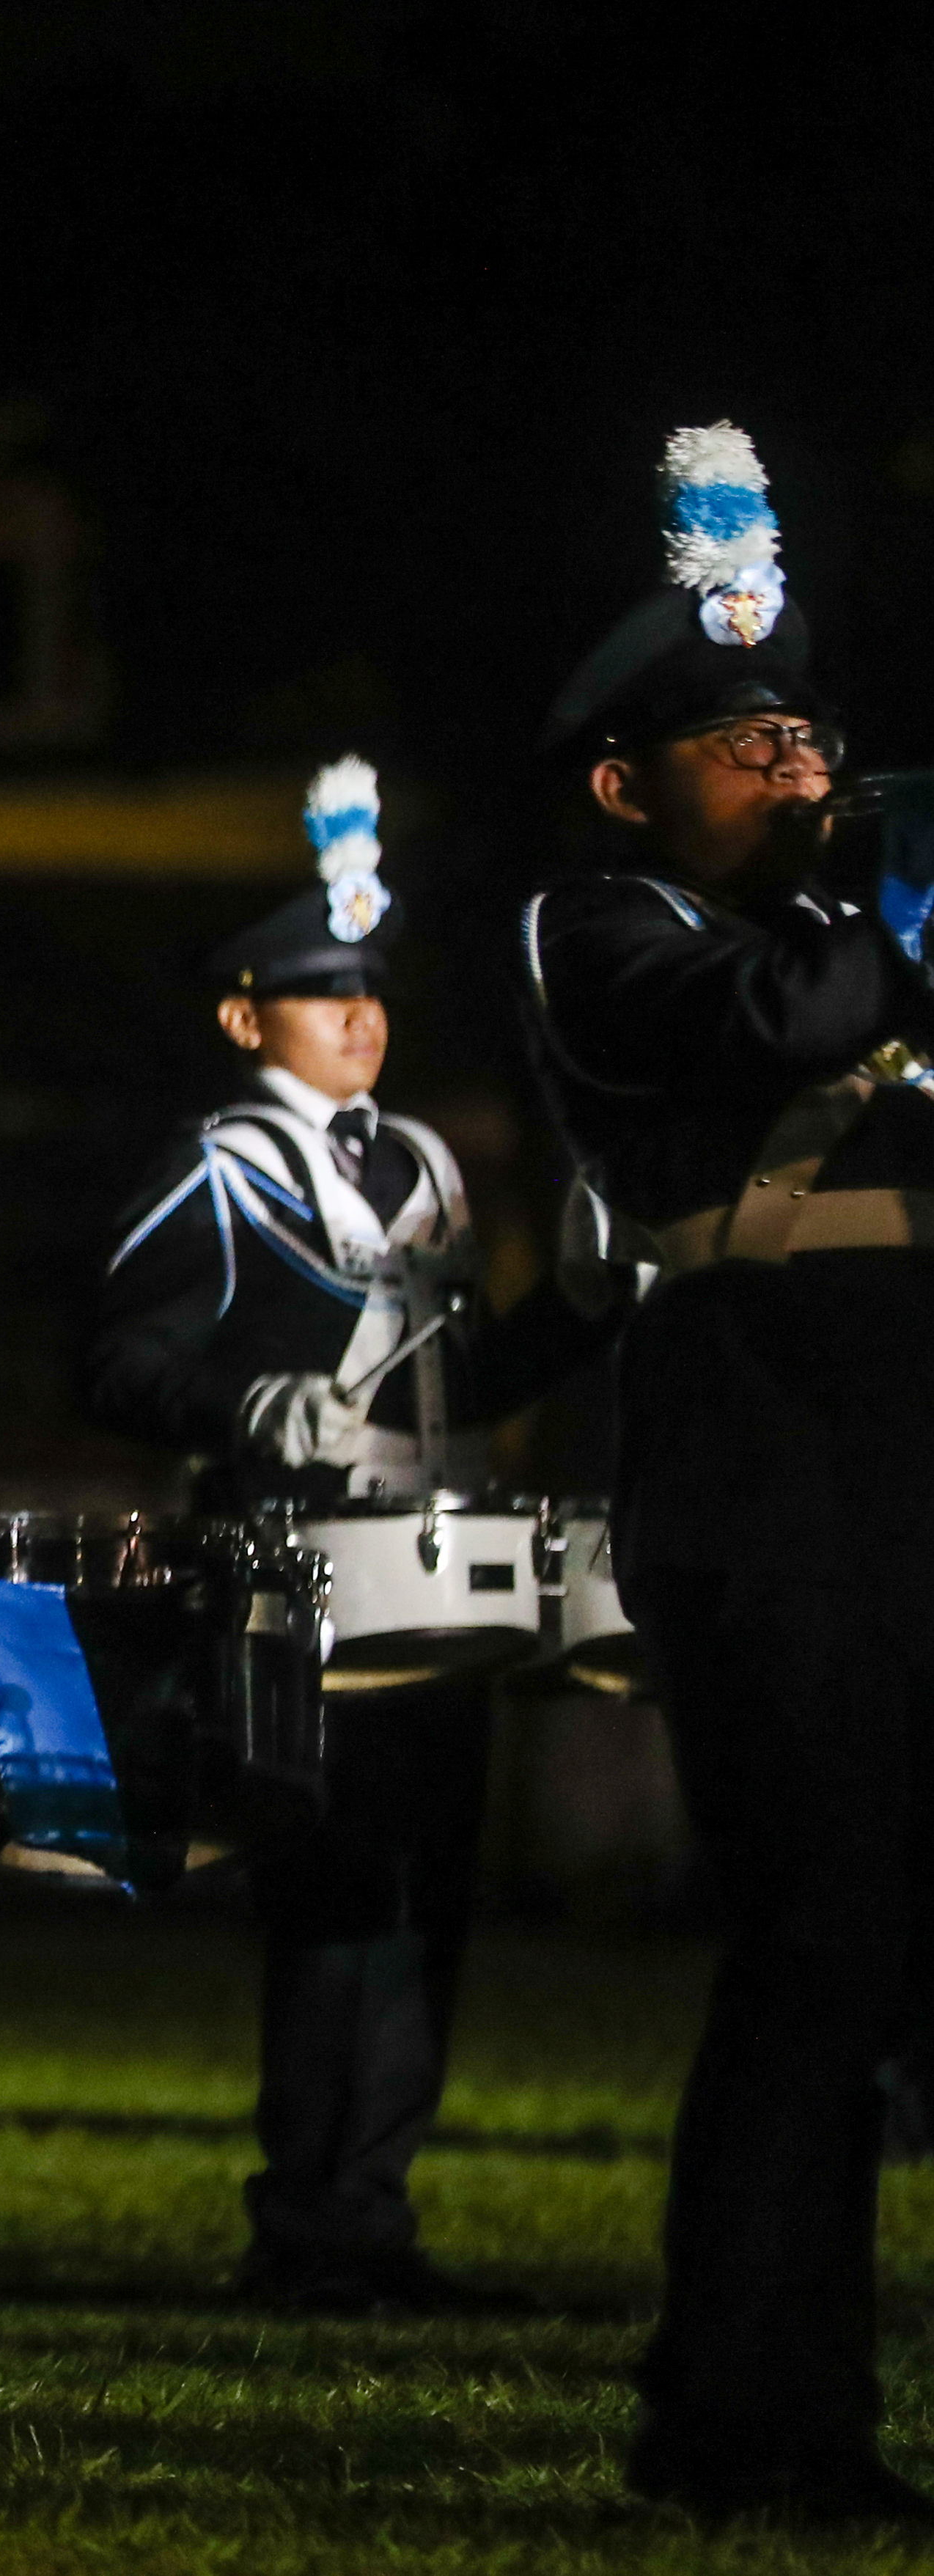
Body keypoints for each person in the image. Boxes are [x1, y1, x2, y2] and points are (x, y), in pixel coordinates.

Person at [520, 424, 934, 2524]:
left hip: (890, 1466)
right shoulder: (598, 933)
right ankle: (724, 2417)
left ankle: (803, 2415)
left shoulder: (854, 928)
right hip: (756, 1487)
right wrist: (894, 883)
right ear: (628, 779)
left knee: (868, 1964)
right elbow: (795, 1014)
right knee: (810, 1947)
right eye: (742, 739)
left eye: (807, 732)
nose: (794, 765)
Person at [87, 756, 603, 2317]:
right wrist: (254, 1409)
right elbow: (115, 1355)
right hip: (296, 1569)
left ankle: (373, 2204)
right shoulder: (218, 1170)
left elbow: (467, 1376)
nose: (359, 1017)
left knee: (423, 1892)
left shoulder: (426, 1162)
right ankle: (305, 2220)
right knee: (328, 1894)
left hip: (430, 1557)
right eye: (319, 995)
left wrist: (578, 1308)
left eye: (369, 989)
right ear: (247, 1018)